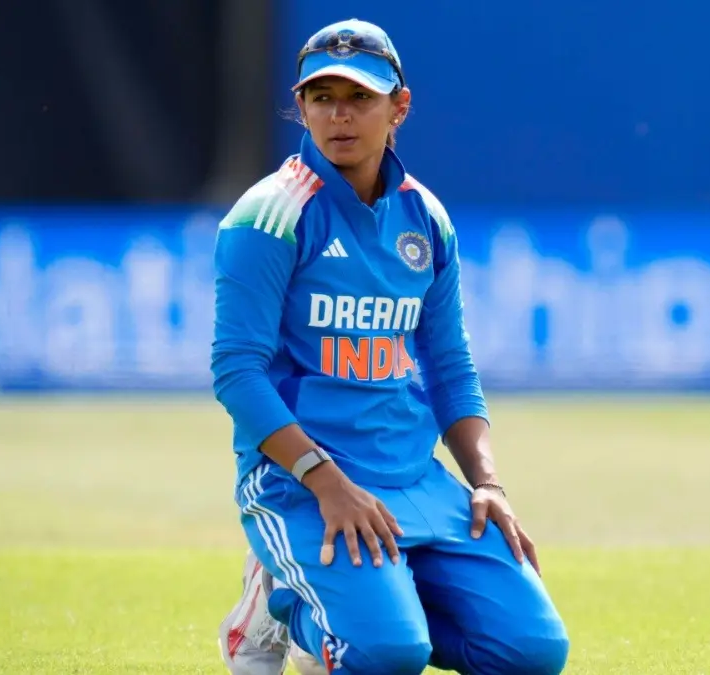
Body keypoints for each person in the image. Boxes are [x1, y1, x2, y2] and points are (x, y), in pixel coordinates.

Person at [210, 18, 570, 675]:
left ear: (398, 107)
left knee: (534, 652)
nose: (339, 117)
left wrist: (488, 483)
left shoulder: (425, 218)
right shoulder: (270, 215)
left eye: (360, 98)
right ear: (301, 108)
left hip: (414, 480)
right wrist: (324, 479)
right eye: (322, 99)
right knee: (386, 655)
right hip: (305, 482)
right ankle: (287, 595)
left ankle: (340, 598)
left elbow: (450, 367)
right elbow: (237, 372)